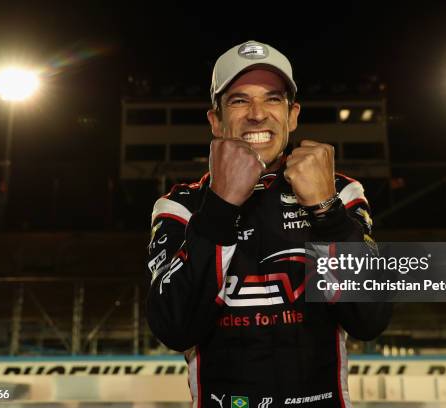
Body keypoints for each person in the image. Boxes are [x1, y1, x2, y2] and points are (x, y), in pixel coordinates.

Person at [146, 40, 392, 407]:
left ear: (292, 116)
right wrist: (219, 208)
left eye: (273, 99)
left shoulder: (342, 192)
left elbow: (370, 320)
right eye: (239, 100)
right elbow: (175, 329)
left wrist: (327, 210)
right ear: (216, 120)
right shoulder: (179, 206)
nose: (257, 114)